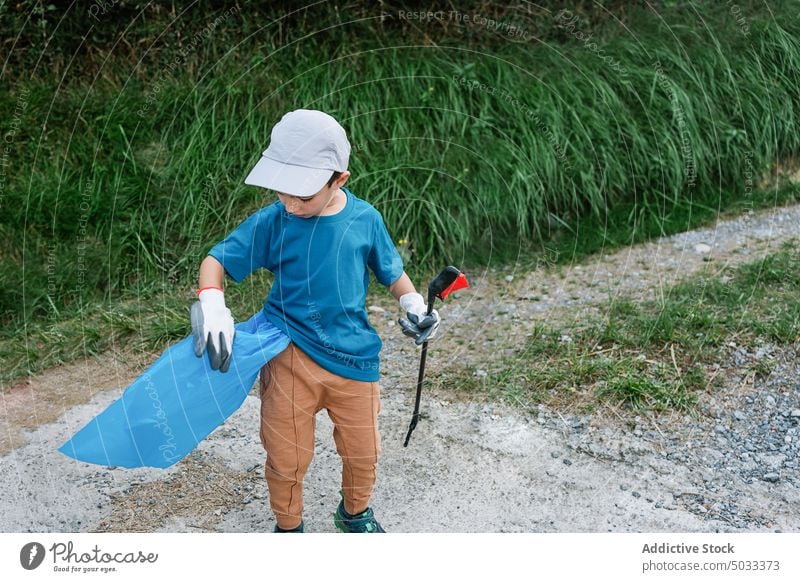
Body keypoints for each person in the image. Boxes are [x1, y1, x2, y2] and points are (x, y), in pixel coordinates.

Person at [192, 109, 440, 533]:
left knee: (364, 452)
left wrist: (413, 302)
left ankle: (354, 513)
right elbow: (216, 260)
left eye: (303, 195)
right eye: (282, 191)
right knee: (287, 455)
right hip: (288, 357)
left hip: (355, 362)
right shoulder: (275, 221)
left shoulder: (365, 220)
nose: (290, 203)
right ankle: (289, 528)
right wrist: (211, 302)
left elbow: (390, 271)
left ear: (339, 179)